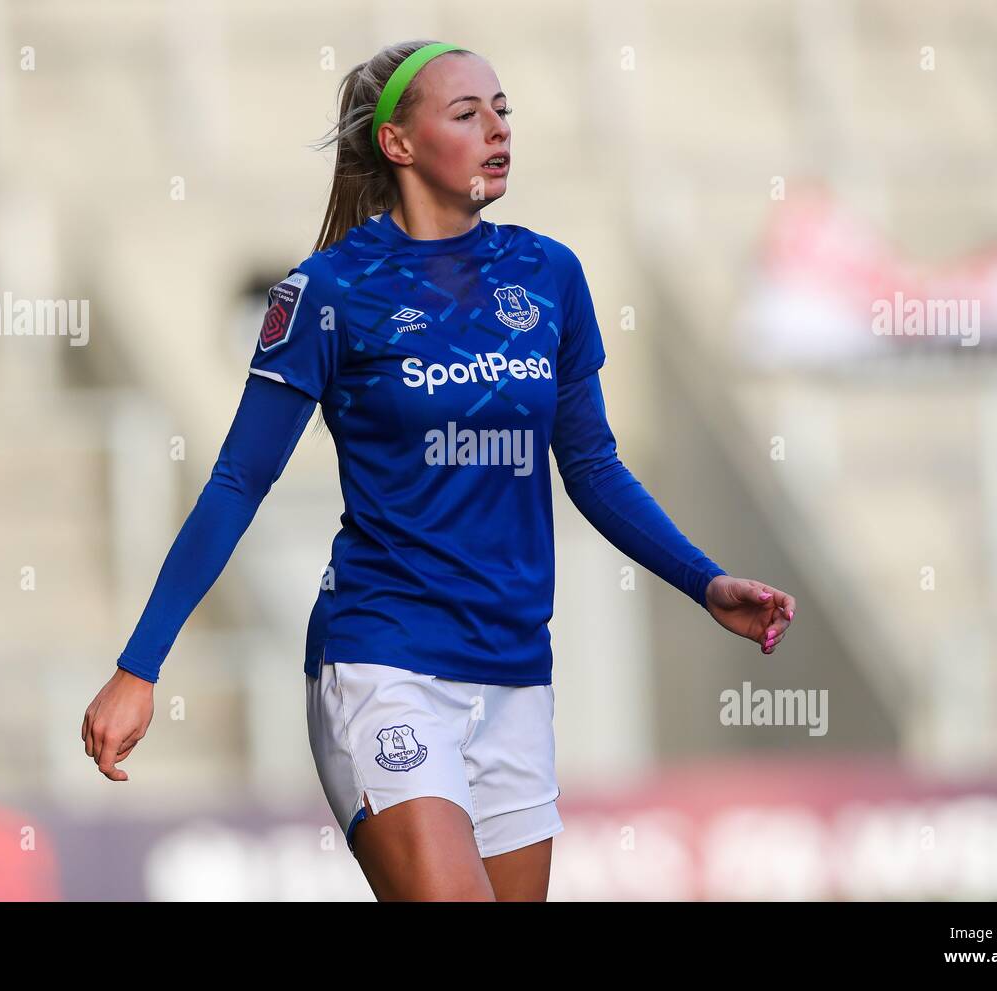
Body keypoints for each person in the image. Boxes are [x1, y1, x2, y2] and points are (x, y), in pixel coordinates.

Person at [82, 40, 797, 901]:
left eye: (503, 111)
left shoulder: (550, 274)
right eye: (467, 114)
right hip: (386, 658)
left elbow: (593, 464)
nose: (498, 129)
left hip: (516, 669)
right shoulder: (328, 292)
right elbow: (239, 480)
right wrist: (140, 665)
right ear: (399, 144)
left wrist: (705, 580)